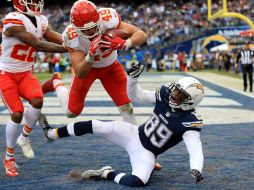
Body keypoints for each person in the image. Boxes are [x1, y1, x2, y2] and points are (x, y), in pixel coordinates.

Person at [39, 63, 205, 187]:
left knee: (138, 181)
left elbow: (195, 149)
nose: (174, 95)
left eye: (180, 95)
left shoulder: (189, 121)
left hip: (147, 153)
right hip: (133, 134)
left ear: (190, 101)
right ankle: (51, 133)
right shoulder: (164, 94)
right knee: (97, 125)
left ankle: (106, 173)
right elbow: (136, 96)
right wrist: (133, 79)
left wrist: (196, 168)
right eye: (176, 90)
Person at [41, 0, 147, 125]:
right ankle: (56, 82)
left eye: (93, 27)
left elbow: (141, 34)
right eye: (86, 30)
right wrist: (90, 55)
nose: (91, 32)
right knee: (71, 112)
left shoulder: (107, 18)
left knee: (126, 107)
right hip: (88, 70)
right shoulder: (71, 36)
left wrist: (125, 43)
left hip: (111, 68)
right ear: (75, 27)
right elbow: (80, 72)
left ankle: (137, 139)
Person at [0, 0, 67, 177]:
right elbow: (37, 44)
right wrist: (69, 49)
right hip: (6, 73)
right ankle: (9, 157)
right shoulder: (12, 19)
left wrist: (75, 42)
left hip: (25, 73)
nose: (36, 3)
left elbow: (55, 36)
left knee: (37, 99)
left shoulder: (42, 20)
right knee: (17, 112)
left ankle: (24, 137)